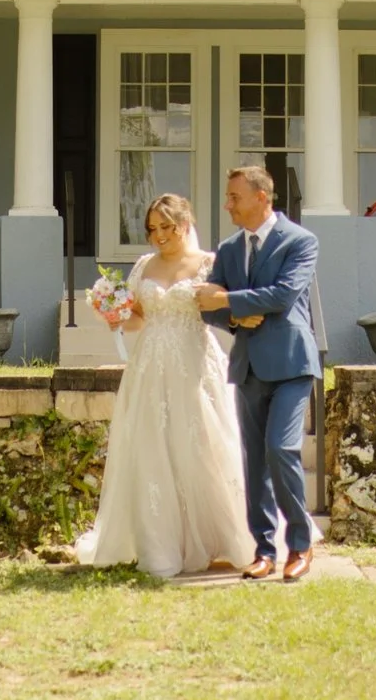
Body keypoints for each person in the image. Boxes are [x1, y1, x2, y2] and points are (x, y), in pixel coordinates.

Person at [74, 193, 257, 577]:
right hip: (149, 365)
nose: (158, 235)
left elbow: (227, 309)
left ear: (184, 224)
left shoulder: (209, 262)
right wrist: (116, 315)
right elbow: (139, 318)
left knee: (203, 444)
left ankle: (224, 537)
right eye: (152, 229)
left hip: (194, 363)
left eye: (166, 227)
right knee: (152, 446)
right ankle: (160, 543)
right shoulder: (143, 265)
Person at [196, 165, 321, 581]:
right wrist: (235, 320)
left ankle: (300, 546)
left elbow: (283, 295)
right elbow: (207, 307)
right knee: (255, 462)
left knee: (281, 449)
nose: (227, 204)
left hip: (290, 363)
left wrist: (230, 300)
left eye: (234, 197)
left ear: (262, 197)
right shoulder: (229, 249)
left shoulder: (300, 241)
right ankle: (264, 549)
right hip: (248, 366)